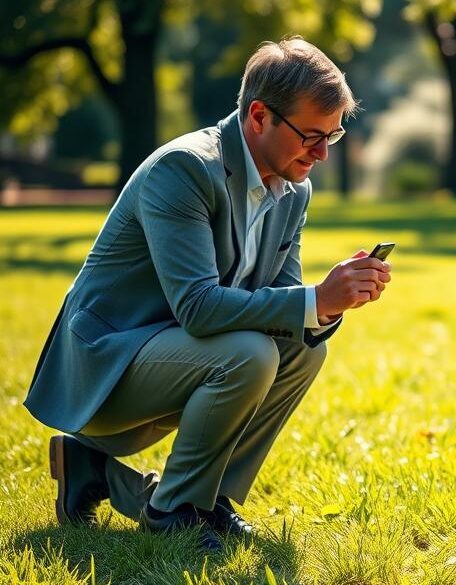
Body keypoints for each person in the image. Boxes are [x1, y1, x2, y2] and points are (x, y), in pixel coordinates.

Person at [24, 37, 391, 551]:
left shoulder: (293, 188)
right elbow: (198, 307)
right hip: (101, 368)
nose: (323, 153)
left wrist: (328, 306)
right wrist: (315, 299)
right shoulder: (185, 169)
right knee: (251, 352)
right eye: (311, 135)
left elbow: (284, 300)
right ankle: (174, 508)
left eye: (333, 136)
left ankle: (201, 498)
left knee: (305, 348)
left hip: (173, 355)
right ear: (259, 116)